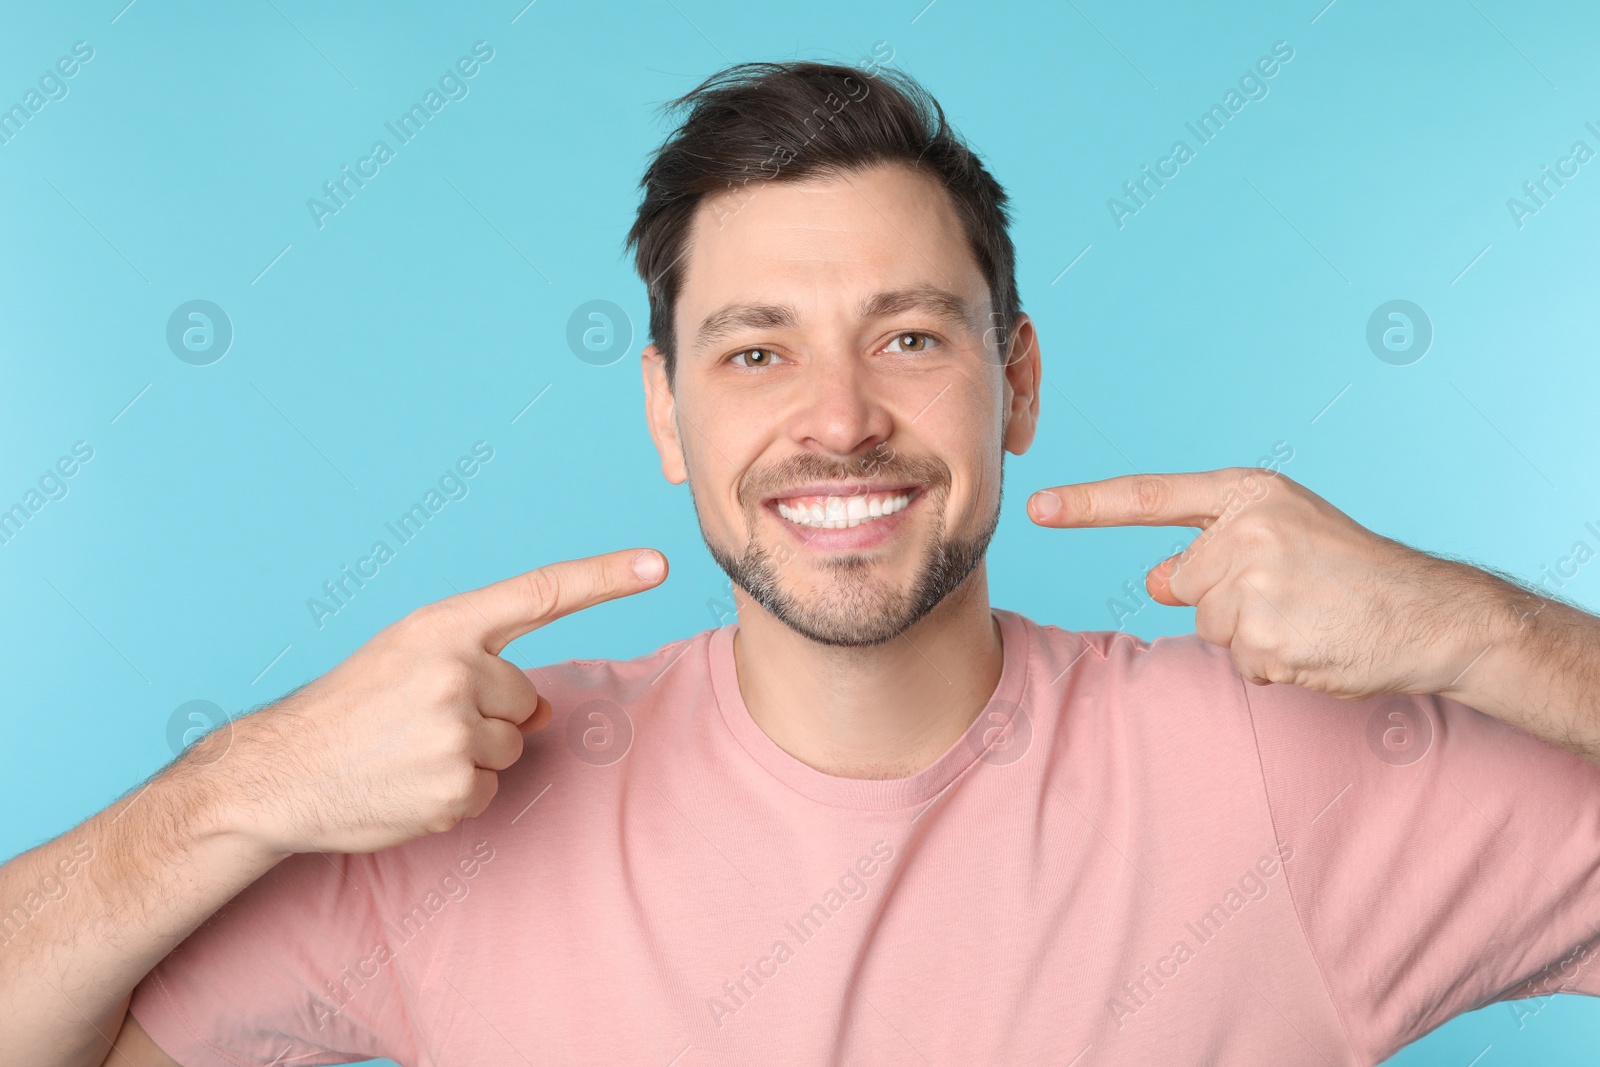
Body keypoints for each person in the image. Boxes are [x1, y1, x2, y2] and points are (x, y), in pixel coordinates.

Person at [5, 59, 1600, 1067]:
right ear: (667, 416)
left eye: (909, 336)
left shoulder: (1287, 781)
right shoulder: (456, 807)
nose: (840, 421)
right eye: (755, 354)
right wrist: (242, 783)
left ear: (1017, 381)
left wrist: (1480, 633)